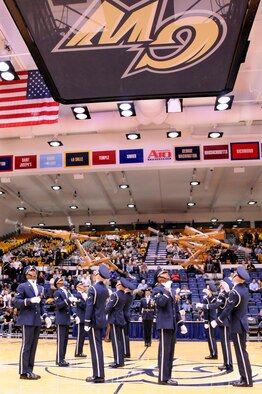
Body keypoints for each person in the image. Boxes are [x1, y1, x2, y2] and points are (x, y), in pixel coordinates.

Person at [211, 266, 253, 387]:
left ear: (237, 277)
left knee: (241, 353)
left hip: (237, 325)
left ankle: (246, 380)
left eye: (234, 274)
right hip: (241, 324)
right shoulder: (243, 289)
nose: (233, 275)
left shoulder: (235, 292)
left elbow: (227, 310)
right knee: (241, 352)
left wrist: (217, 321)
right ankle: (244, 377)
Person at [14, 265, 51, 380]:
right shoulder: (22, 286)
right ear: (26, 274)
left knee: (33, 347)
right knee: (26, 346)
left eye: (34, 270)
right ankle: (23, 371)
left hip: (36, 320)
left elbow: (41, 304)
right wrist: (29, 300)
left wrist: (45, 316)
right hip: (27, 319)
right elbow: (16, 302)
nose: (33, 272)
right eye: (31, 271)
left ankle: (30, 370)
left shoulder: (40, 288)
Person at [152, 268, 187, 385]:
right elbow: (160, 303)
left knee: (170, 353)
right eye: (164, 273)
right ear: (159, 278)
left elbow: (175, 309)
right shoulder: (157, 289)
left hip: (172, 325)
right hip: (163, 324)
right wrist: (166, 291)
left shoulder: (171, 290)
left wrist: (181, 323)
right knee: (164, 351)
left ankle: (168, 377)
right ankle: (162, 378)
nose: (167, 274)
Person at [197, 277, 233, 372]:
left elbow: (217, 305)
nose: (220, 285)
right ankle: (226, 363)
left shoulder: (225, 294)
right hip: (222, 321)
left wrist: (204, 306)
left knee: (225, 344)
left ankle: (228, 364)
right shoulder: (224, 294)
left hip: (224, 321)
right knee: (224, 344)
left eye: (222, 284)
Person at [84, 265, 110, 383]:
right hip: (101, 320)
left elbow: (90, 306)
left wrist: (87, 321)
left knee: (95, 348)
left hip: (93, 321)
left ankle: (98, 375)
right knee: (98, 347)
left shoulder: (93, 289)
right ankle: (98, 373)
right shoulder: (105, 289)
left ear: (98, 275)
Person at [54, 276, 77, 367]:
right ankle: (59, 359)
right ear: (57, 283)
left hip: (66, 318)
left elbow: (68, 306)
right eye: (60, 280)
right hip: (60, 319)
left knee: (65, 340)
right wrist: (68, 301)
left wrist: (74, 314)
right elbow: (59, 305)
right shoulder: (57, 292)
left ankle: (62, 358)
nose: (62, 281)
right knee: (60, 341)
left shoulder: (67, 291)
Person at [105, 277, 127, 368]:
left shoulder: (115, 295)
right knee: (119, 340)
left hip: (114, 318)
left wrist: (102, 313)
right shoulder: (124, 295)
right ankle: (120, 360)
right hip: (120, 318)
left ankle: (117, 361)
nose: (117, 284)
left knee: (115, 341)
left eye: (118, 283)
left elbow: (109, 307)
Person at [201, 282, 218, 360]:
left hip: (211, 319)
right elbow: (204, 309)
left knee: (211, 337)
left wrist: (209, 296)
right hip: (207, 319)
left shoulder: (213, 298)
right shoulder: (206, 298)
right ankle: (212, 353)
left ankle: (214, 354)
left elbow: (210, 306)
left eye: (208, 289)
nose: (206, 290)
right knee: (209, 337)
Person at [73, 281, 87, 357]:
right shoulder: (77, 295)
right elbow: (82, 305)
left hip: (84, 317)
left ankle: (80, 351)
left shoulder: (83, 295)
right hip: (80, 317)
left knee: (82, 336)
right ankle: (78, 352)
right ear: (77, 287)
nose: (83, 286)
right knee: (80, 336)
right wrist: (87, 300)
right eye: (80, 285)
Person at [122, 279, 135, 358]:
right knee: (125, 335)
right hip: (127, 316)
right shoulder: (130, 295)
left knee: (124, 335)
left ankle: (126, 352)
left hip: (123, 316)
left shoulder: (125, 296)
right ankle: (127, 351)